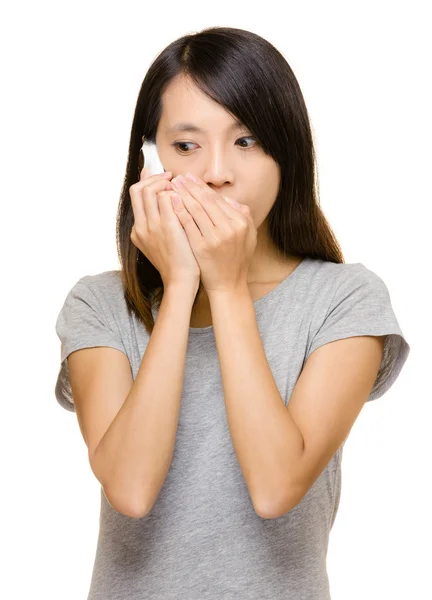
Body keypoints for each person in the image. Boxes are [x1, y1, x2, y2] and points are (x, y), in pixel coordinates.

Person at [54, 26, 410, 600]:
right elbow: (131, 487)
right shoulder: (100, 304)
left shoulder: (345, 300)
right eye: (187, 145)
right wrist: (179, 287)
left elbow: (275, 487)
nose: (218, 171)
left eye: (246, 141)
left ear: (286, 151)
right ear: (148, 162)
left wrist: (226, 287)